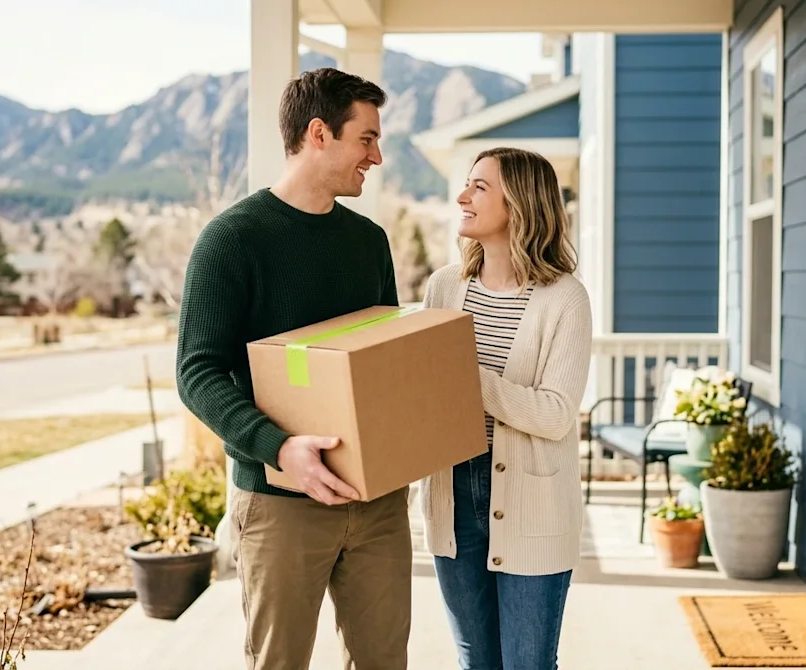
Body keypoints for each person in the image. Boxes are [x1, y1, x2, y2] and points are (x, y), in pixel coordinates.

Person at [176, 67, 410, 670]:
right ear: (318, 134)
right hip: (281, 501)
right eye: (366, 138)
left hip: (376, 500)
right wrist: (280, 449)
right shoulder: (232, 241)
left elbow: (381, 362)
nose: (377, 156)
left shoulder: (368, 243)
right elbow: (197, 373)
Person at [419, 147, 593, 669]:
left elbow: (556, 413)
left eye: (479, 187)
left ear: (518, 202)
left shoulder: (565, 299)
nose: (462, 197)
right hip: (452, 493)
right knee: (477, 662)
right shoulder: (445, 287)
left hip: (533, 501)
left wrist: (469, 382)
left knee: (527, 664)